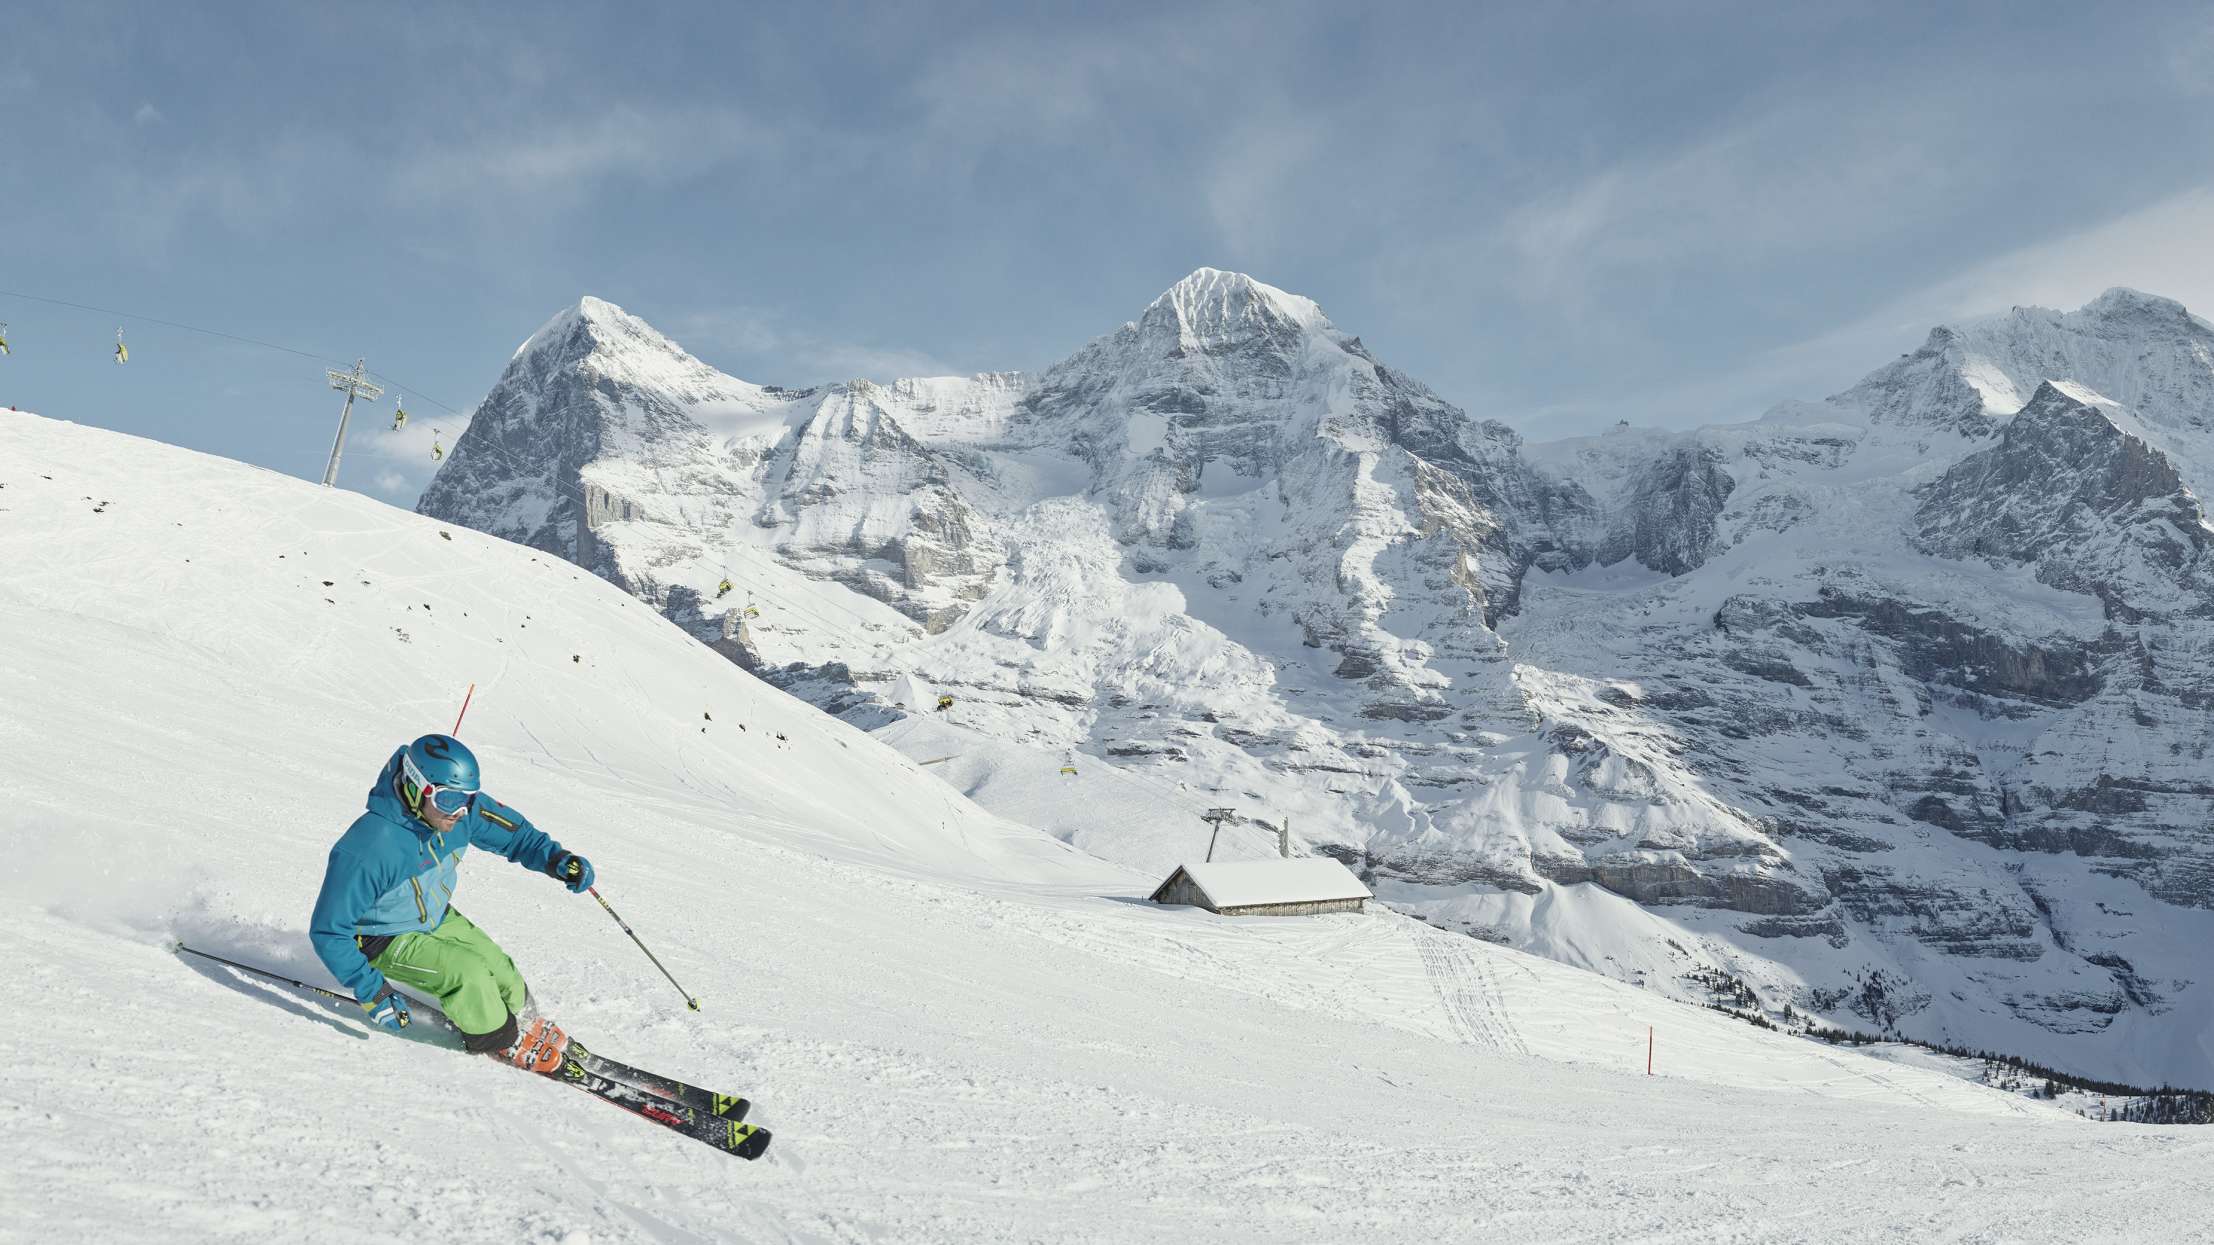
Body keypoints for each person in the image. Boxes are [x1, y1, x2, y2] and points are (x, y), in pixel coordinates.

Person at [309, 734, 595, 1065]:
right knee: (468, 973)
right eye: (448, 801)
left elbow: (515, 835)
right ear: (418, 788)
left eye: (467, 799)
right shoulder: (372, 846)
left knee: (499, 967)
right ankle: (501, 1040)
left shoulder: (460, 813)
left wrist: (556, 859)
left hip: (434, 915)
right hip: (381, 936)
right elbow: (329, 930)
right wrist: (372, 990)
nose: (460, 812)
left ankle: (526, 1022)